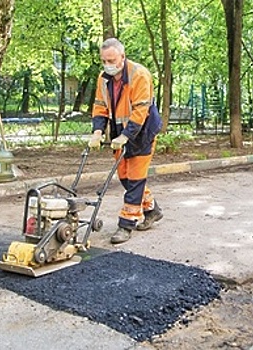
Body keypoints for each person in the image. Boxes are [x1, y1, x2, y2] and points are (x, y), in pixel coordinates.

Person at [89, 38, 163, 244]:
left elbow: (141, 110)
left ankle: (126, 225)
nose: (107, 65)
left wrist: (126, 136)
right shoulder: (103, 79)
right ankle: (153, 209)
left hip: (143, 131)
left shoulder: (139, 74)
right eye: (104, 61)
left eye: (111, 60)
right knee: (124, 177)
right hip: (119, 131)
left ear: (122, 57)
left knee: (136, 178)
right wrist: (97, 131)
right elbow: (100, 106)